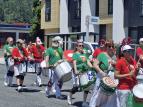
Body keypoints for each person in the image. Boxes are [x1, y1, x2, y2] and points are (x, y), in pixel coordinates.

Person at [90, 40, 118, 107]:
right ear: (106, 47)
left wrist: (116, 63)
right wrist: (101, 72)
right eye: (109, 46)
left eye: (112, 46)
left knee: (110, 95)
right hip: (102, 76)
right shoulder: (101, 55)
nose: (111, 48)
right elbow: (95, 65)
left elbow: (117, 68)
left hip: (111, 78)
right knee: (98, 94)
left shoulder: (114, 57)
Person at [67, 39, 93, 107]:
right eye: (80, 45)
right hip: (77, 71)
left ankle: (84, 102)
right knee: (75, 88)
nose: (81, 47)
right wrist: (75, 71)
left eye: (82, 45)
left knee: (86, 86)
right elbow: (74, 63)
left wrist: (92, 68)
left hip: (84, 71)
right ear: (77, 47)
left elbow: (87, 62)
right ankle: (69, 96)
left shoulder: (84, 54)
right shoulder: (75, 54)